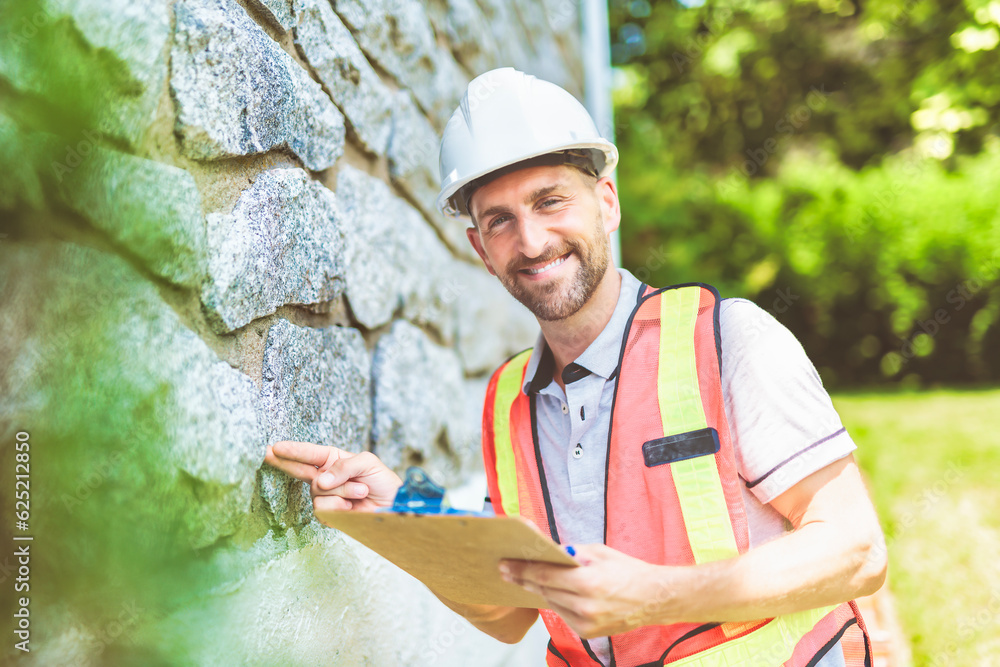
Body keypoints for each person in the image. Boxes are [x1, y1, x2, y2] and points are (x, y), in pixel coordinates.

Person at [265, 68, 887, 666]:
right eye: (500, 221)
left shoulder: (727, 338)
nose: (531, 242)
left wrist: (655, 596)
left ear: (607, 202)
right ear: (480, 249)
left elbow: (856, 551)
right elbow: (508, 612)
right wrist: (403, 512)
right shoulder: (509, 397)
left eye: (550, 201)